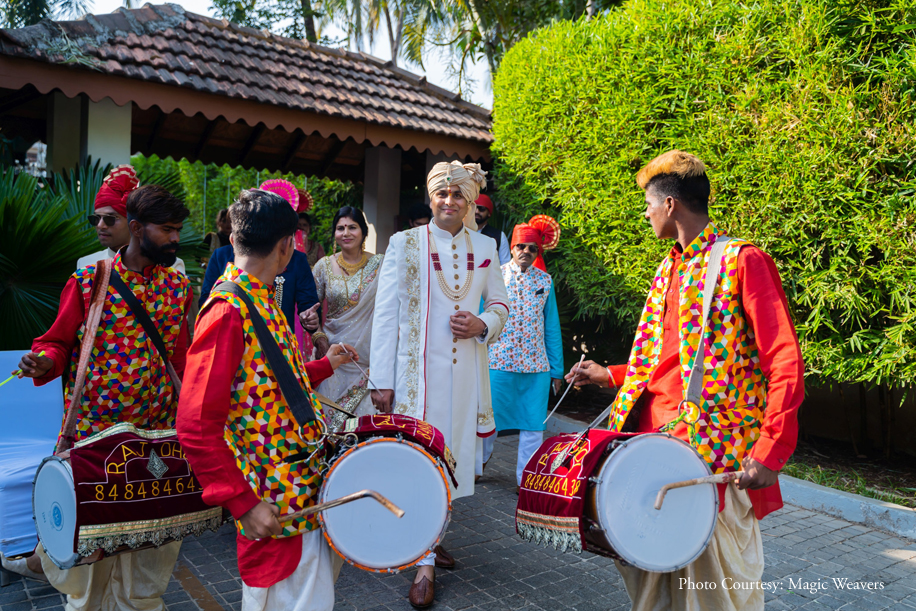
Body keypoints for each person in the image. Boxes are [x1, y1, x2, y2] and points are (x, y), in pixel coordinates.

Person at [565, 150, 803, 611]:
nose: (646, 214)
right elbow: (668, 358)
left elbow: (784, 359)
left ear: (670, 205)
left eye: (648, 205)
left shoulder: (743, 261)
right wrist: (610, 375)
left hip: (714, 454)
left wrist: (770, 449)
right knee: (653, 585)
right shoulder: (669, 267)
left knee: (716, 595)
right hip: (652, 448)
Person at [11, 185, 193, 611]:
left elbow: (180, 358)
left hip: (156, 437)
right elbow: (58, 341)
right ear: (137, 228)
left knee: (150, 541)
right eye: (167, 229)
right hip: (97, 440)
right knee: (91, 544)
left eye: (177, 229)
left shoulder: (179, 287)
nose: (175, 238)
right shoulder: (89, 281)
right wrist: (44, 361)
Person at [177, 189, 357, 611]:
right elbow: (195, 426)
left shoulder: (258, 296)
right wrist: (243, 504)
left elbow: (269, 384)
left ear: (234, 240)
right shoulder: (227, 311)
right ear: (287, 245)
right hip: (273, 502)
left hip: (298, 491)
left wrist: (325, 366)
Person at [370, 160, 510, 608]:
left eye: (457, 195)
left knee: (449, 463)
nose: (449, 201)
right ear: (431, 198)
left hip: (463, 378)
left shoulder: (486, 246)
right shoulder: (404, 243)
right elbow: (386, 313)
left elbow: (502, 305)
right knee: (417, 462)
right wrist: (381, 379)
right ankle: (425, 560)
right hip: (413, 378)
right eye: (441, 194)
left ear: (469, 202)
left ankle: (428, 541)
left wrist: (483, 323)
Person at [485, 215, 563, 489]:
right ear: (512, 247)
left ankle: (526, 479)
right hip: (498, 363)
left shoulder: (546, 281)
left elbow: (551, 327)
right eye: (521, 246)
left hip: (536, 367)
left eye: (532, 248)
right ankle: (478, 465)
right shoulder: (493, 276)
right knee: (488, 420)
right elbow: (481, 320)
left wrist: (557, 371)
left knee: (533, 426)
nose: (526, 252)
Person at [302, 207, 382, 430]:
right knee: (328, 426)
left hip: (368, 360)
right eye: (340, 228)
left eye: (352, 227)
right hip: (333, 357)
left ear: (363, 232)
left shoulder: (381, 265)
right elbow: (311, 308)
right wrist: (310, 323)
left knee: (364, 429)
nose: (346, 233)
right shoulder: (323, 266)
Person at [77, 164, 187, 274]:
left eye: (110, 219)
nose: (100, 225)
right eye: (95, 218)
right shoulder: (86, 264)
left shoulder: (171, 266)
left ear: (134, 225)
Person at [474, 194, 511, 265]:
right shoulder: (458, 232)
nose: (476, 211)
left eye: (481, 209)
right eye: (473, 208)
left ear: (489, 213)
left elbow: (505, 265)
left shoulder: (499, 236)